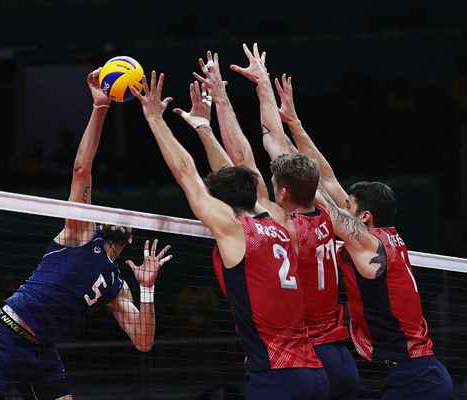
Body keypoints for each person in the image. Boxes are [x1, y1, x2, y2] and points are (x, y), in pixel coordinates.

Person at [0, 68, 172, 400]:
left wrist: (145, 290)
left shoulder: (116, 286)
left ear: (130, 237)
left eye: (124, 217)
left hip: (43, 350)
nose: (116, 217)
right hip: (6, 334)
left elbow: (144, 341)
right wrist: (100, 108)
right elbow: (81, 170)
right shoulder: (80, 233)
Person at [133, 71, 328, 399]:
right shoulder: (278, 220)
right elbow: (237, 177)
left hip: (276, 377)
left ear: (223, 205)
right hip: (314, 371)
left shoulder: (234, 229)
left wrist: (154, 118)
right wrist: (203, 128)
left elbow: (186, 173)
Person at [270, 73, 454, 399]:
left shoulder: (370, 243)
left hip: (417, 378)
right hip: (412, 373)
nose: (343, 207)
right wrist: (294, 122)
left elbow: (316, 193)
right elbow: (326, 178)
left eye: (349, 206)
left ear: (364, 217)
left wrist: (284, 150)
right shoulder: (379, 236)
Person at [193, 44, 359, 399]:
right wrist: (263, 85)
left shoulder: (283, 225)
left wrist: (220, 99)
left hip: (307, 356)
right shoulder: (329, 213)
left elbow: (241, 165)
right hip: (342, 356)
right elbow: (276, 139)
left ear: (282, 193)